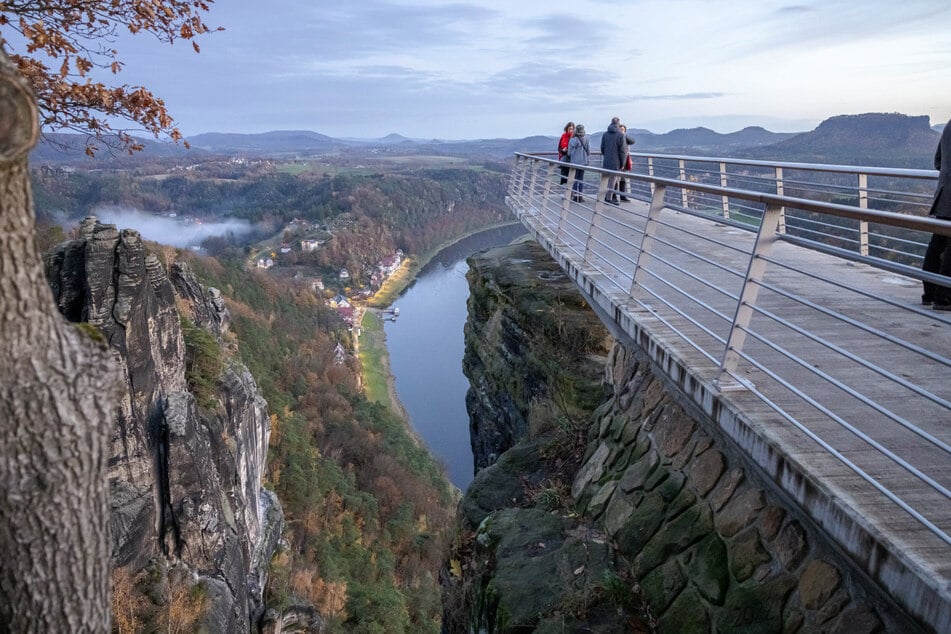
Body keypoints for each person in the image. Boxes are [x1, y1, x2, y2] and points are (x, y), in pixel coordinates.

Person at [923, 119, 951, 310]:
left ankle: (930, 293)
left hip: (945, 194)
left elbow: (938, 161)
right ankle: (944, 296)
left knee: (938, 243)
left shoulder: (949, 124)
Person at [600, 117, 626, 204]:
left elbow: (602, 148)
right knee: (612, 181)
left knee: (605, 180)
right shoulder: (620, 135)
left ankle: (603, 197)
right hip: (616, 162)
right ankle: (608, 199)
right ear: (618, 124)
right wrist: (622, 163)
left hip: (606, 161)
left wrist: (606, 155)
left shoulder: (605, 134)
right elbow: (622, 151)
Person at [567, 123, 590, 202]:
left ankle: (575, 196)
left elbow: (569, 153)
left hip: (574, 162)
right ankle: (580, 196)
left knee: (574, 179)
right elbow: (588, 151)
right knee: (581, 179)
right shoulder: (586, 139)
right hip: (583, 161)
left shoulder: (572, 140)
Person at [618, 123, 636, 202]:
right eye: (620, 130)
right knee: (615, 179)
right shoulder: (617, 139)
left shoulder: (625, 138)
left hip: (625, 161)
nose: (622, 131)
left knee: (623, 179)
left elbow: (632, 141)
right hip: (617, 161)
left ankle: (622, 196)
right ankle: (613, 195)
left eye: (623, 130)